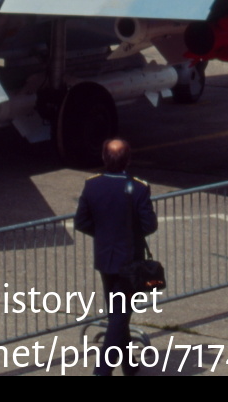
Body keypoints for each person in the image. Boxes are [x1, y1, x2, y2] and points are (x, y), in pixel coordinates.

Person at [74, 139, 157, 376]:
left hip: (105, 259)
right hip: (128, 260)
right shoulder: (138, 188)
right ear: (128, 160)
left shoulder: (92, 186)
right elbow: (149, 224)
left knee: (116, 312)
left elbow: (82, 221)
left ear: (103, 158)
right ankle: (102, 371)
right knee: (120, 317)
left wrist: (104, 235)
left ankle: (129, 364)